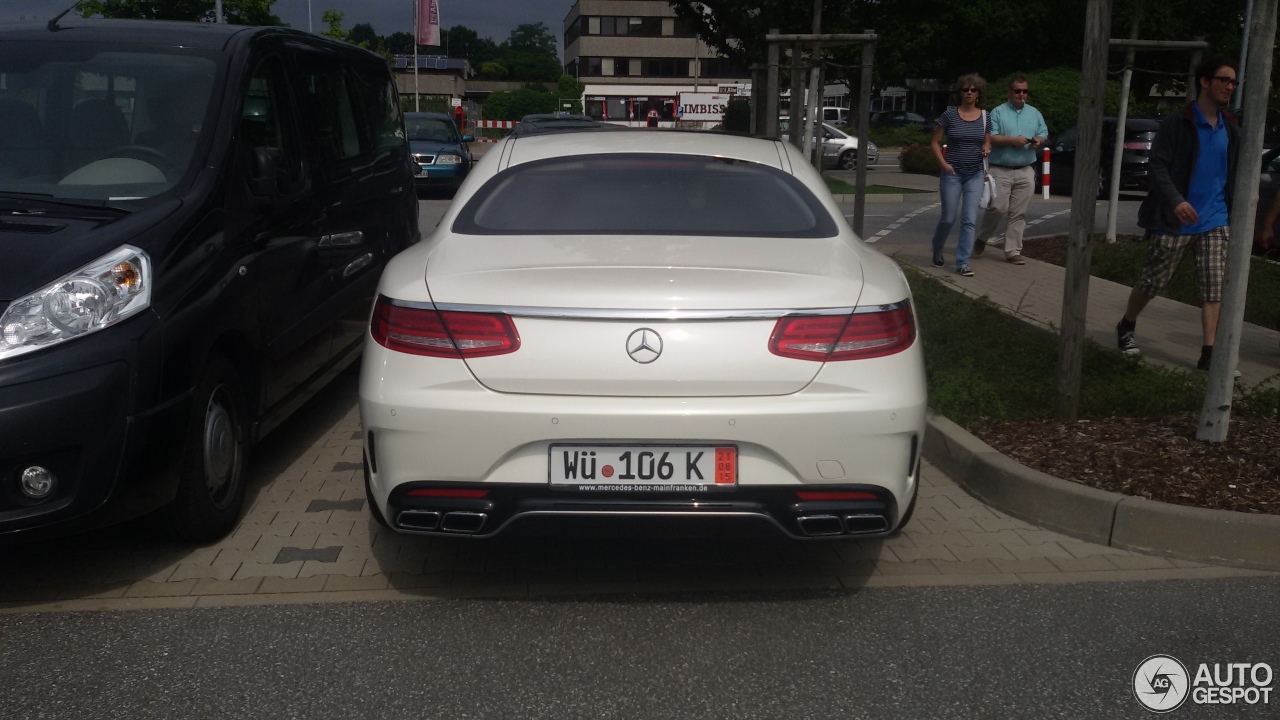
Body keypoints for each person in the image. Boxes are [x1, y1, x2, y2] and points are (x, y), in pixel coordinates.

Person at [1115, 56, 1239, 373]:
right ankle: (1127, 324)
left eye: (1233, 82)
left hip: (1215, 219)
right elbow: (1157, 165)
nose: (1230, 86)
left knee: (1214, 286)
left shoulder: (1231, 126)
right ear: (1204, 81)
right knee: (1153, 281)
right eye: (1224, 80)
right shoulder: (1177, 123)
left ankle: (1209, 353)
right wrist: (1175, 201)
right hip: (1176, 220)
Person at [974, 76, 1049, 264]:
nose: (1021, 94)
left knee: (1019, 212)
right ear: (1009, 92)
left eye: (1024, 91)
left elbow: (1043, 133)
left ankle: (1013, 251)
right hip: (1001, 168)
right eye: (1017, 91)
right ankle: (983, 237)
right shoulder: (997, 113)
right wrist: (1012, 141)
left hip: (1025, 169)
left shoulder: (1034, 113)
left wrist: (1039, 141)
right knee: (997, 207)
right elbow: (992, 137)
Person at [929, 73, 992, 277]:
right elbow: (935, 142)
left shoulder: (985, 117)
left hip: (975, 173)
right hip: (953, 173)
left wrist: (986, 147)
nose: (969, 93)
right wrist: (944, 164)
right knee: (948, 218)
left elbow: (987, 141)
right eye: (966, 90)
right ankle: (938, 248)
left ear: (978, 93)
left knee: (969, 220)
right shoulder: (949, 115)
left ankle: (962, 262)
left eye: (973, 90)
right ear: (960, 92)